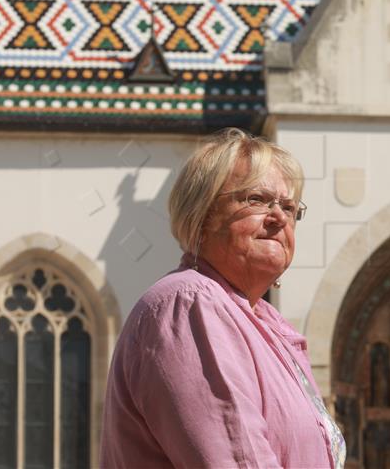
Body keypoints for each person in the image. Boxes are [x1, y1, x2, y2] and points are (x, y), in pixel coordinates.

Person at [100, 128, 345, 468]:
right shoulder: (188, 306)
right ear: (201, 217)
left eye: (289, 208)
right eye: (256, 200)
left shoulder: (266, 325)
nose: (278, 218)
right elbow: (239, 458)